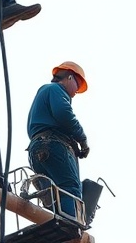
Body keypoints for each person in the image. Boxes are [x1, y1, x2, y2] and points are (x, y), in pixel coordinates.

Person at [26, 61, 90, 220]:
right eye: (78, 84)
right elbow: (64, 114)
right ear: (69, 77)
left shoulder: (44, 92)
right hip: (53, 145)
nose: (76, 92)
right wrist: (82, 139)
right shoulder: (55, 89)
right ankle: (71, 226)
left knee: (56, 197)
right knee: (70, 190)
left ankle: (53, 206)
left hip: (37, 149)